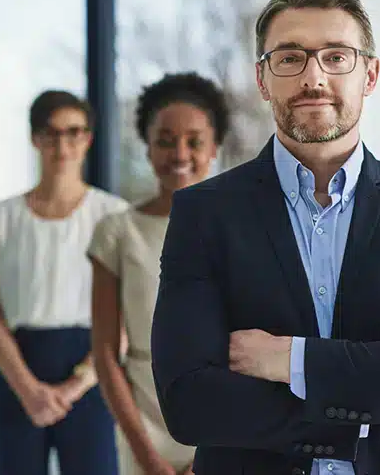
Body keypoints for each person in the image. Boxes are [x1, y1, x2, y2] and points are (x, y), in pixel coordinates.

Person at [150, 0, 380, 475]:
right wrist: (378, 384)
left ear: (370, 74)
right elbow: (189, 403)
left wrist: (291, 360)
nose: (314, 78)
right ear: (262, 78)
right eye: (290, 58)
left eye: (336, 57)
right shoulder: (204, 214)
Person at [0, 90, 127, 475]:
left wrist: (77, 385)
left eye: (74, 133)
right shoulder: (2, 218)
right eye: (51, 133)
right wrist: (27, 388)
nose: (63, 145)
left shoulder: (112, 216)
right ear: (34, 139)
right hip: (17, 371)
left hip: (93, 377)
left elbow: (125, 316)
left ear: (88, 139)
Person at [89, 72, 229, 475]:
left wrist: (209, 451)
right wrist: (147, 456)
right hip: (143, 426)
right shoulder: (116, 232)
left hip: (224, 422)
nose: (179, 153)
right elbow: (104, 355)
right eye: (165, 141)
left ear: (214, 147)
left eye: (194, 141)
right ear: (147, 148)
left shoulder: (239, 229)